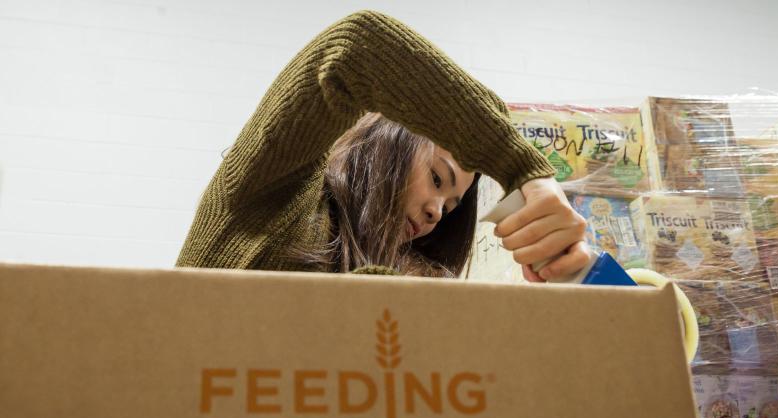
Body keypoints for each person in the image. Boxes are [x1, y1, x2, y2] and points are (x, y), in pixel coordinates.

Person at [176, 10, 589, 281]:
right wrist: (522, 171)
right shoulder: (273, 191)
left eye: (450, 208)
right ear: (385, 147)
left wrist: (572, 276)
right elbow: (353, 49)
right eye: (436, 178)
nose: (435, 212)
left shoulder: (412, 274)